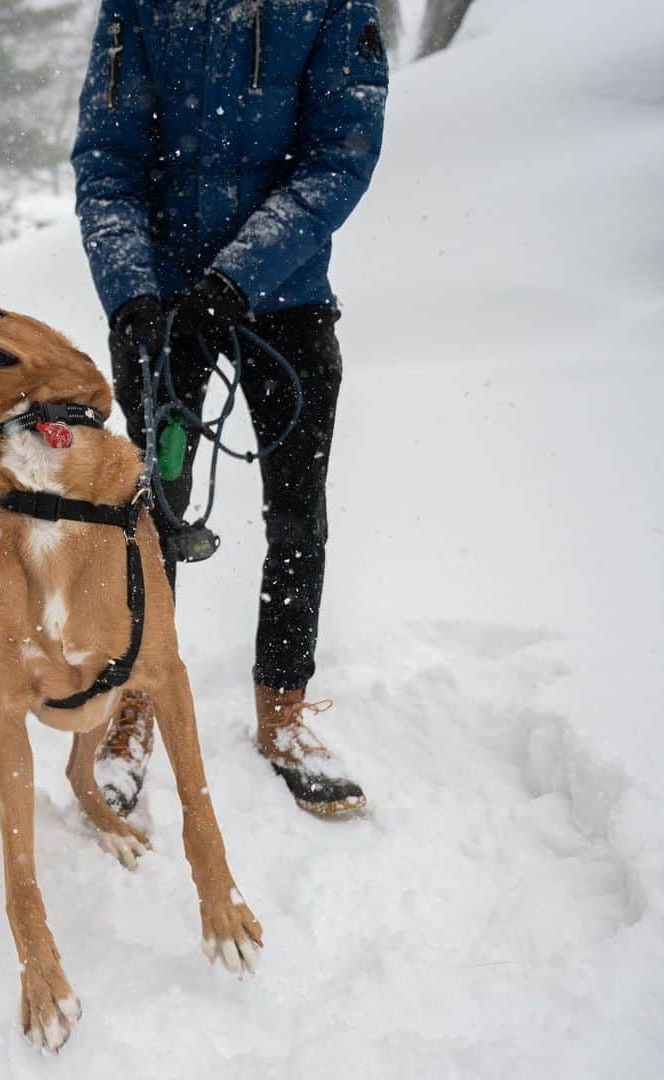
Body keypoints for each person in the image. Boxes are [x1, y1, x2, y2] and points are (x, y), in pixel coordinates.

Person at [71, 0, 388, 817]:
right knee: (148, 507)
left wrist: (240, 276)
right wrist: (131, 292)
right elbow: (106, 161)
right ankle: (134, 702)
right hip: (164, 301)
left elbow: (339, 155)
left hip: (287, 297)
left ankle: (283, 713)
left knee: (296, 510)